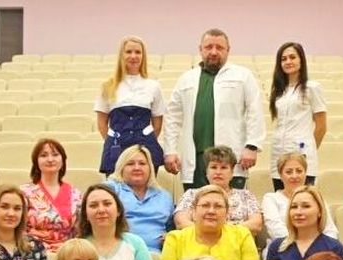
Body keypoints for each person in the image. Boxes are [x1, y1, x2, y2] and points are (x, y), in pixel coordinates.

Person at [162, 28, 265, 191]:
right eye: (209, 47)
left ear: (228, 50)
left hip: (230, 158)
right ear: (200, 49)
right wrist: (170, 151)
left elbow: (255, 111)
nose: (214, 52)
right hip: (196, 159)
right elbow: (172, 117)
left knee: (231, 203)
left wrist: (252, 146)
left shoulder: (243, 76)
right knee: (197, 203)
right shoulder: (186, 79)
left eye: (219, 47)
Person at [95, 35, 165, 175]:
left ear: (143, 56)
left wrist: (144, 140)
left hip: (146, 147)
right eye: (128, 52)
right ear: (121, 55)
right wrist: (115, 140)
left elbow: (157, 124)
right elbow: (102, 123)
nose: (133, 56)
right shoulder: (108, 86)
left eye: (138, 52)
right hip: (117, 147)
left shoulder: (153, 86)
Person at [268, 42, 326, 190]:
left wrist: (308, 149)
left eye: (292, 57)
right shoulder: (279, 90)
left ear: (301, 60)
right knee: (281, 197)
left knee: (302, 198)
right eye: (283, 59)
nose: (288, 61)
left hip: (302, 155)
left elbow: (321, 127)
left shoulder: (312, 88)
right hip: (279, 154)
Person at [173, 145, 263, 236]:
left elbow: (256, 225)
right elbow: (181, 223)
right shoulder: (191, 194)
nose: (218, 172)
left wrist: (221, 231)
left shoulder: (246, 195)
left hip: (237, 241)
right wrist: (211, 233)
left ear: (232, 173)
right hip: (199, 241)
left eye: (223, 168)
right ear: (206, 172)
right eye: (213, 167)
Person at [106, 145, 174, 252]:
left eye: (142, 163)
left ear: (150, 168)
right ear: (121, 168)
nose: (137, 168)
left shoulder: (164, 196)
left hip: (156, 253)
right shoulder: (110, 189)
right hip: (120, 252)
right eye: (130, 164)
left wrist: (170, 236)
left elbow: (171, 228)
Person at [260, 153, 339, 246]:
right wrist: (302, 245)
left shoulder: (316, 197)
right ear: (280, 175)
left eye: (299, 171)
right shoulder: (271, 199)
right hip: (284, 247)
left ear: (305, 173)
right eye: (289, 172)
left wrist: (319, 247)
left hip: (319, 248)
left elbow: (330, 230)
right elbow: (275, 229)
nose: (294, 176)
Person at [21, 138, 82, 251]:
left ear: (63, 160)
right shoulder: (24, 193)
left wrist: (67, 246)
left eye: (55, 155)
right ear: (36, 162)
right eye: (43, 155)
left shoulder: (76, 194)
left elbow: (81, 230)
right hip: (33, 251)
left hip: (69, 251)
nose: (50, 159)